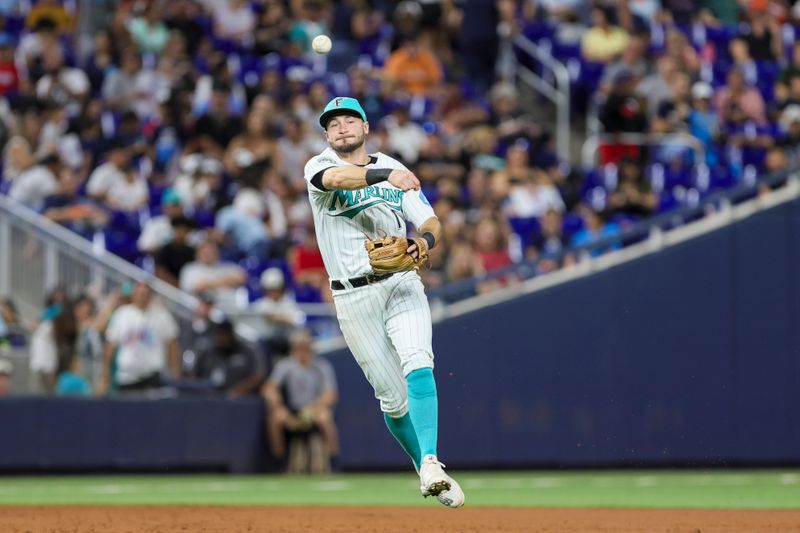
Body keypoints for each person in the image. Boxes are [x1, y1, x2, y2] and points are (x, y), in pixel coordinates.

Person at [301, 96, 465, 507]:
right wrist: (387, 175)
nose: (341, 128)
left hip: (401, 282)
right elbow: (339, 182)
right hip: (353, 296)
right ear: (326, 134)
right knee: (392, 399)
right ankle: (420, 462)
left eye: (349, 120)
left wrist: (420, 241)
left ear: (366, 126)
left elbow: (430, 222)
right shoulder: (319, 166)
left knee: (418, 362)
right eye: (333, 123)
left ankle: (431, 462)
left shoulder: (394, 168)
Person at [262, 328, 339, 465]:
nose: (302, 353)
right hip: (292, 409)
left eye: (305, 348)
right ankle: (279, 461)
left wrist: (314, 408)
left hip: (313, 409)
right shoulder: (285, 365)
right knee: (275, 418)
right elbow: (269, 388)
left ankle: (332, 459)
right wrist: (277, 404)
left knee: (325, 417)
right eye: (298, 348)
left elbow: (331, 394)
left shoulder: (322, 366)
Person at [102, 281, 179, 393]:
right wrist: (106, 376)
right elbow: (110, 346)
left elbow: (172, 344)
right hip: (127, 376)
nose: (142, 296)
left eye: (145, 293)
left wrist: (175, 371)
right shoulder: (122, 314)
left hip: (153, 376)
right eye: (140, 293)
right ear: (133, 295)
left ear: (150, 296)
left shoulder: (162, 315)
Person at [194, 320, 264, 398]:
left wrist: (238, 391)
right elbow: (195, 374)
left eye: (225, 335)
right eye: (219, 335)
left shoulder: (246, 351)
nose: (222, 339)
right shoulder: (208, 352)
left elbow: (258, 376)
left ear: (231, 335)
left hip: (239, 400)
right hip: (208, 398)